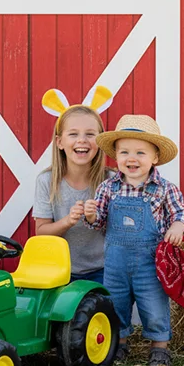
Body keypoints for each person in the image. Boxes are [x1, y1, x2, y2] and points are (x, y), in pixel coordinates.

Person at [83, 114, 184, 366]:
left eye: (141, 153)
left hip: (149, 263)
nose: (132, 159)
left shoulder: (165, 188)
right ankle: (119, 344)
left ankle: (159, 347)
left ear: (155, 158)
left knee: (153, 303)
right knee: (116, 303)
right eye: (125, 152)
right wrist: (91, 214)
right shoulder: (108, 188)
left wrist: (177, 226)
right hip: (115, 263)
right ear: (116, 156)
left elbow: (180, 213)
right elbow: (99, 224)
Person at [33, 87, 113, 283]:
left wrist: (96, 218)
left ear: (100, 141)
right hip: (59, 272)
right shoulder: (46, 181)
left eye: (90, 134)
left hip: (103, 270)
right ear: (60, 142)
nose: (82, 140)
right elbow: (41, 231)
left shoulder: (111, 180)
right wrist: (68, 221)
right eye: (73, 134)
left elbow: (120, 232)